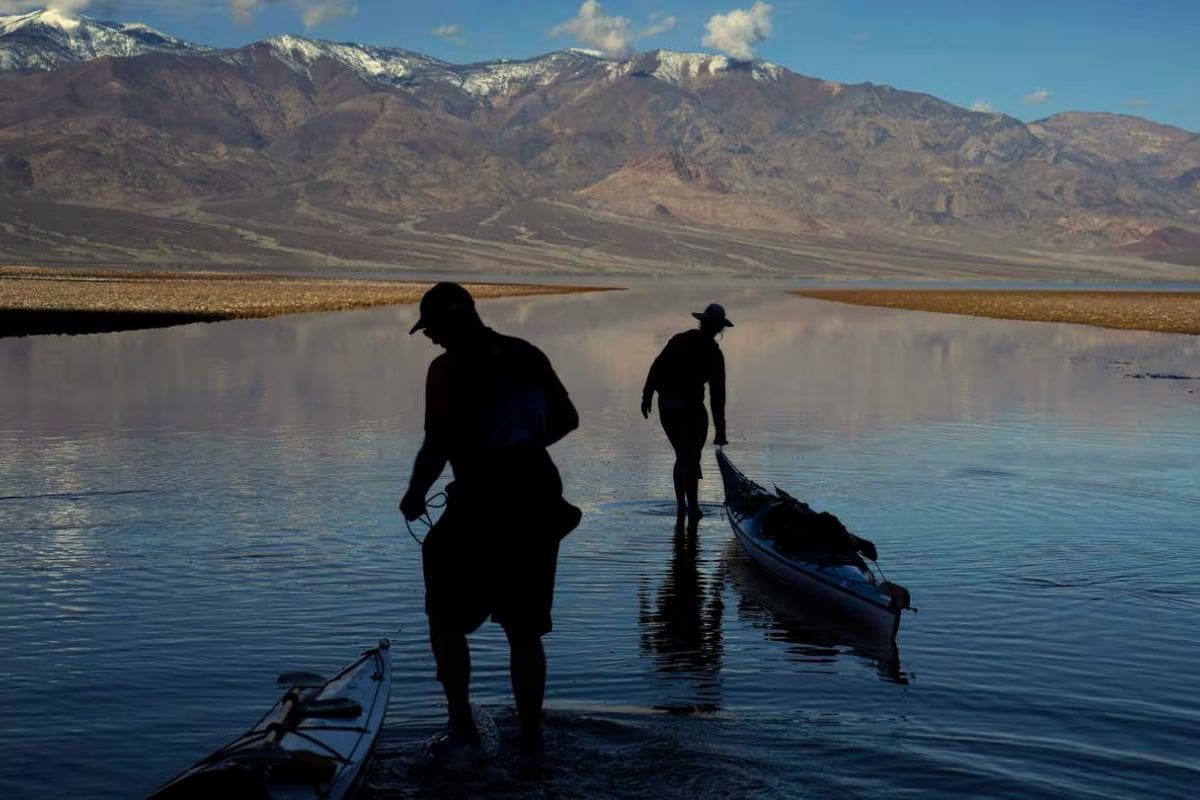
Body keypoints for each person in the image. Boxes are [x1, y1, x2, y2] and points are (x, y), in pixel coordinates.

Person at [399, 282, 581, 762]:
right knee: (523, 628)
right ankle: (530, 735)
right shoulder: (526, 354)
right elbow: (567, 418)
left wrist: (416, 494)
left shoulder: (446, 370)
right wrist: (523, 443)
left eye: (432, 329)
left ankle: (461, 724)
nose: (431, 339)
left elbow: (437, 444)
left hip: (480, 501)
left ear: (448, 324)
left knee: (444, 615)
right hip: (538, 498)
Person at [641, 303, 732, 523]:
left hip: (668, 405)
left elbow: (656, 367)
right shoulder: (713, 353)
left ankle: (683, 507)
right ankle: (692, 508)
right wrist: (720, 430)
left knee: (683, 455)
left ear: (702, 322)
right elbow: (717, 396)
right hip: (689, 407)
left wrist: (647, 395)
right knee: (690, 456)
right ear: (719, 329)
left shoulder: (680, 340)